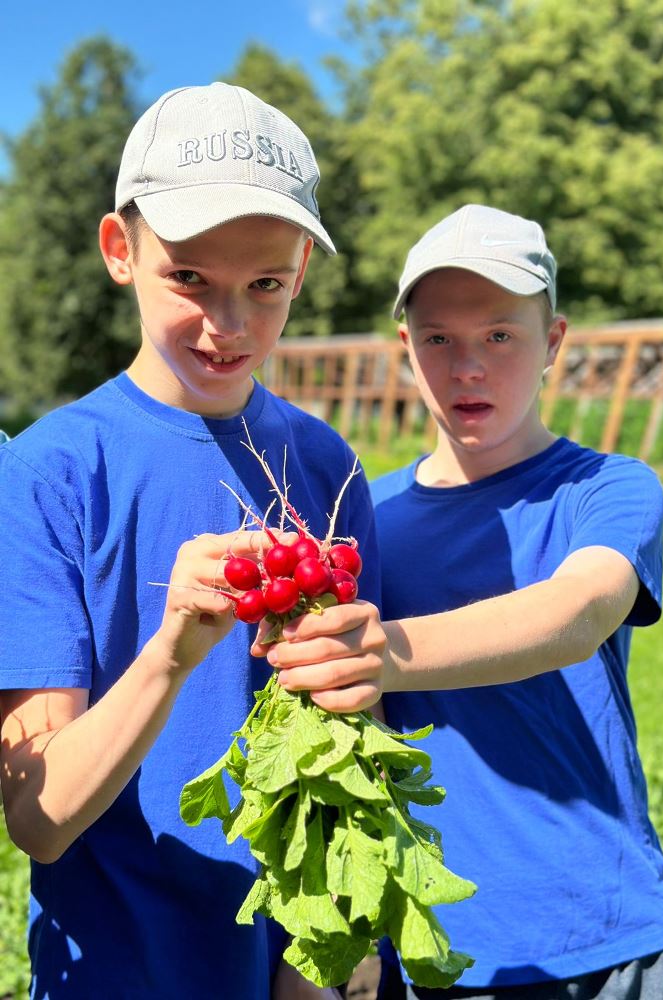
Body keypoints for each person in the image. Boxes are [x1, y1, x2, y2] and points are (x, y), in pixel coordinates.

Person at [0, 82, 384, 1000]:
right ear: (119, 251)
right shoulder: (49, 471)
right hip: (115, 966)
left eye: (267, 286)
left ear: (300, 274)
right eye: (191, 280)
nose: (232, 324)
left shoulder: (325, 464)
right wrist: (172, 649)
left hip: (281, 963)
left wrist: (319, 955)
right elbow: (38, 817)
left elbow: (349, 729)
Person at [264, 205, 663, 998]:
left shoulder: (603, 489)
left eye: (501, 335)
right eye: (439, 339)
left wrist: (380, 653)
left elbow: (578, 611)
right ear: (406, 350)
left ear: (554, 343)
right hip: (435, 945)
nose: (469, 366)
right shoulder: (366, 524)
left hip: (602, 936)